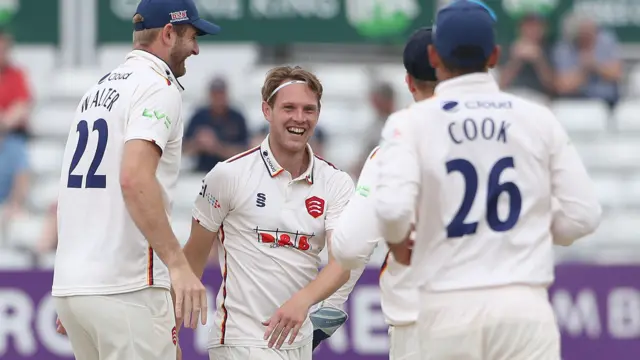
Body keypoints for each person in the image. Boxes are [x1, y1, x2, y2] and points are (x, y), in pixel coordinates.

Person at [375, 1, 602, 359]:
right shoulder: (537, 118)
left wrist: (401, 247)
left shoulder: (411, 123)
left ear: (434, 56)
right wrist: (532, 226)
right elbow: (584, 216)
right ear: (495, 54)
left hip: (446, 304)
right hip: (522, 305)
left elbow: (390, 211)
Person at [51, 0, 221, 359]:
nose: (196, 48)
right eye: (192, 35)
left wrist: (80, 284)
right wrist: (177, 264)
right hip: (127, 286)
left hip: (77, 286)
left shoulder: (95, 91)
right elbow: (132, 178)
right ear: (168, 33)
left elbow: (74, 190)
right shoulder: (157, 86)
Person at [180, 65, 353, 360]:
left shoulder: (336, 182)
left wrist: (303, 302)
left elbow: (342, 263)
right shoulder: (228, 174)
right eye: (289, 108)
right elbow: (191, 261)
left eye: (308, 109)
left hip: (298, 343)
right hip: (239, 341)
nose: (299, 118)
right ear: (267, 111)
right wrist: (170, 334)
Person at [328, 27, 438, 360]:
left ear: (408, 82)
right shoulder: (505, 136)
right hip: (489, 314)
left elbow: (348, 248)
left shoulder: (396, 144)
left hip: (419, 319)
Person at [183, 76, 250, 172]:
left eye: (221, 94)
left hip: (230, 172)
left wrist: (217, 147)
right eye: (215, 94)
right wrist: (198, 143)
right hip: (201, 172)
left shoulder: (237, 117)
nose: (218, 98)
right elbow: (184, 150)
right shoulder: (199, 116)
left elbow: (246, 151)